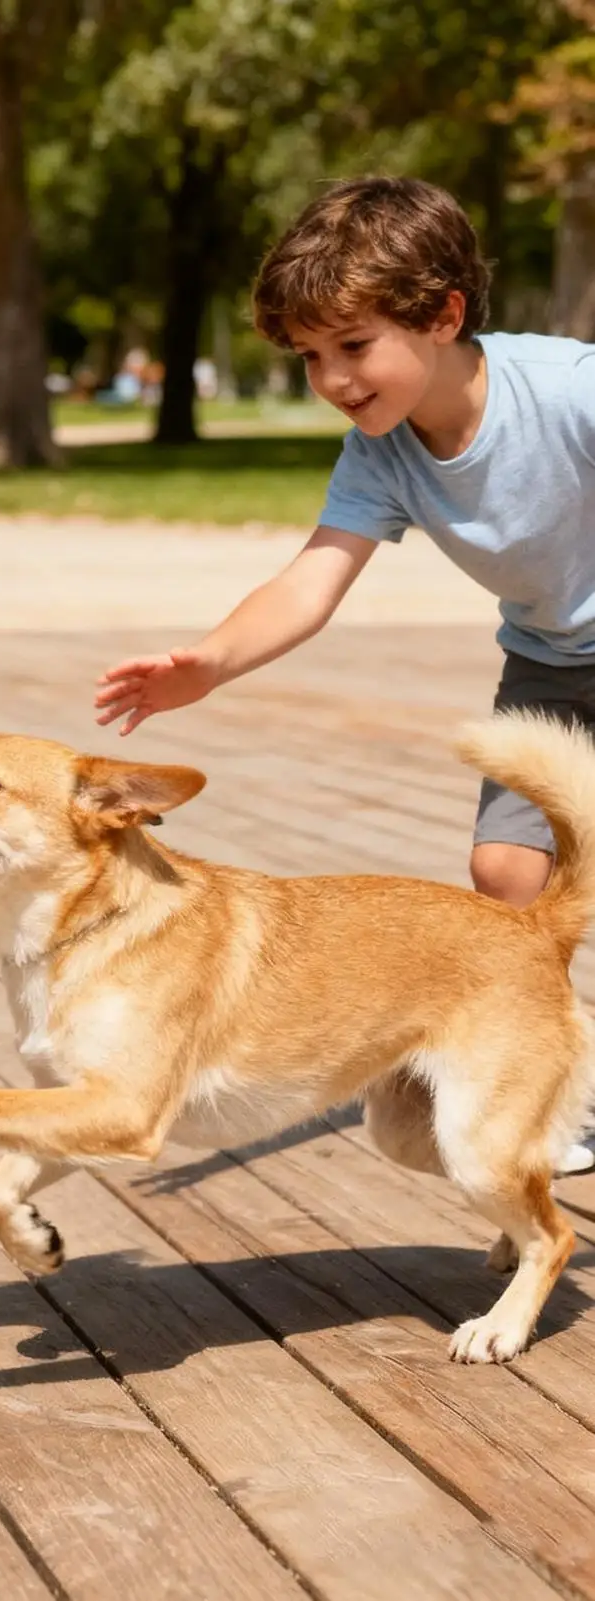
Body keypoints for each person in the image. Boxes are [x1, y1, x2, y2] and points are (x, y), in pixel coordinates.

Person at [94, 175, 595, 1177]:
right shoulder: (378, 455)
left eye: (351, 345)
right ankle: (550, 1084)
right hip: (546, 657)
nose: (330, 377)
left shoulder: (569, 392)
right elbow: (310, 579)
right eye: (311, 356)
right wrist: (208, 663)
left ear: (443, 313)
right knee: (505, 882)